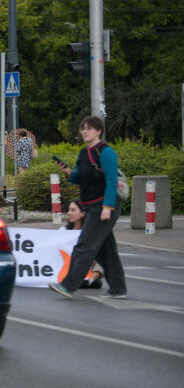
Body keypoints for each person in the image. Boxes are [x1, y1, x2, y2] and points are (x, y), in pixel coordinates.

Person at [48, 116, 127, 299]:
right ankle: (118, 289)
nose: (85, 131)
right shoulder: (84, 153)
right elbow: (80, 177)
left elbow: (111, 180)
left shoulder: (106, 153)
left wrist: (107, 207)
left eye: (89, 128)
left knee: (84, 246)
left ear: (99, 131)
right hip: (90, 205)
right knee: (106, 251)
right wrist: (69, 173)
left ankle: (68, 285)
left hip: (104, 206)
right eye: (83, 128)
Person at [63, 199, 103, 290]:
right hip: (67, 264)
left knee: (105, 253)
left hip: (87, 265)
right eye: (69, 210)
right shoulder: (63, 231)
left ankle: (91, 279)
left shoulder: (91, 233)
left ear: (82, 213)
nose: (69, 213)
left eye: (73, 210)